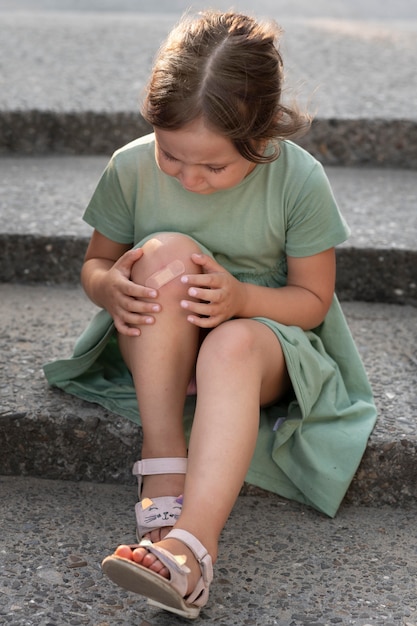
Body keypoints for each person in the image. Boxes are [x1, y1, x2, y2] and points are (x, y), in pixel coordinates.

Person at [44, 10, 377, 619]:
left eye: (214, 167)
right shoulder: (132, 166)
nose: (190, 178)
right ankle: (165, 450)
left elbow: (312, 302)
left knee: (233, 345)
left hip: (266, 339)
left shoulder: (297, 179)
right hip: (162, 337)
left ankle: (192, 546)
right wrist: (106, 287)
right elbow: (97, 265)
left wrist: (242, 300)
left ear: (263, 134)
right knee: (164, 252)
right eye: (173, 156)